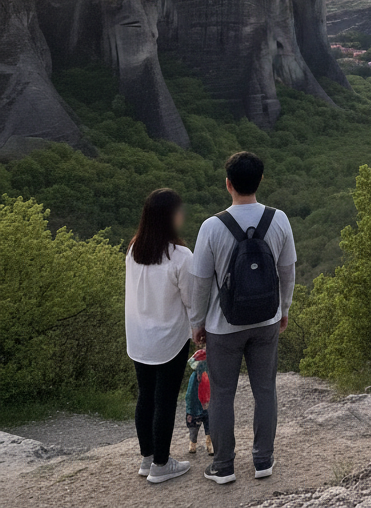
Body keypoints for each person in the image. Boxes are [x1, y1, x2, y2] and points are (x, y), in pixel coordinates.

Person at [189, 151, 296, 485]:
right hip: (266, 321)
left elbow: (201, 281)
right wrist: (284, 308)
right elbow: (287, 270)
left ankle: (223, 466)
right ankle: (263, 460)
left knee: (222, 393)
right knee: (265, 389)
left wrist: (197, 322)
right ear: (260, 180)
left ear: (228, 184)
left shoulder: (211, 226)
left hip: (224, 326)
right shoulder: (279, 219)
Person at [124, 188, 193, 484]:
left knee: (146, 397)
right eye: (179, 211)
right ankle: (162, 466)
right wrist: (200, 331)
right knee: (165, 400)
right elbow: (192, 301)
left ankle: (147, 459)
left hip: (139, 336)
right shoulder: (180, 256)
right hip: (169, 338)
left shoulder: (135, 247)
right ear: (169, 217)